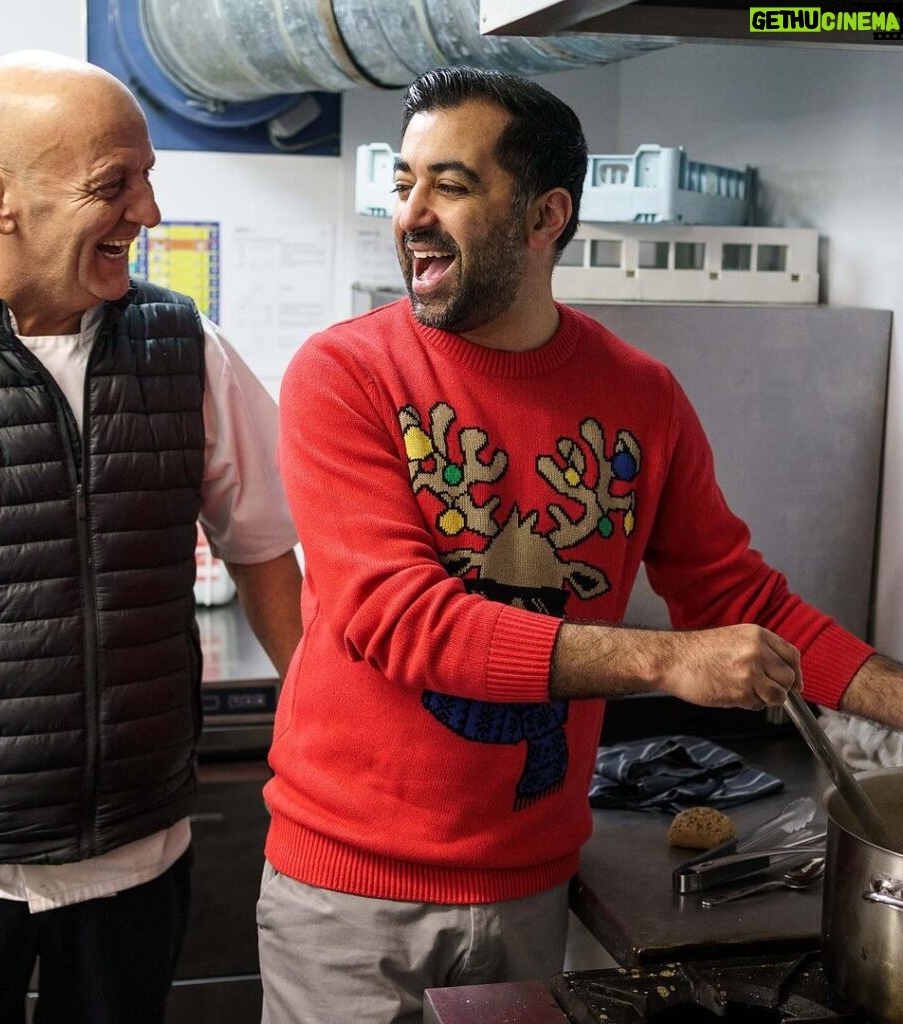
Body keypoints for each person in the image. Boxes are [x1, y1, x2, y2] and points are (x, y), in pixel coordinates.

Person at [257, 64, 903, 1023]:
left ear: (546, 214)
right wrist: (665, 662)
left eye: (453, 184)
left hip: (530, 885)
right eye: (405, 184)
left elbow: (740, 600)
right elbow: (399, 619)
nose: (412, 215)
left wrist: (896, 698)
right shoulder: (345, 375)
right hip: (349, 900)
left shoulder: (640, 396)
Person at [0, 51, 302, 1024]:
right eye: (115, 186)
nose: (147, 214)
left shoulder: (187, 348)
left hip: (138, 858)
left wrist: (333, 745)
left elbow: (266, 549)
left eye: (147, 180)